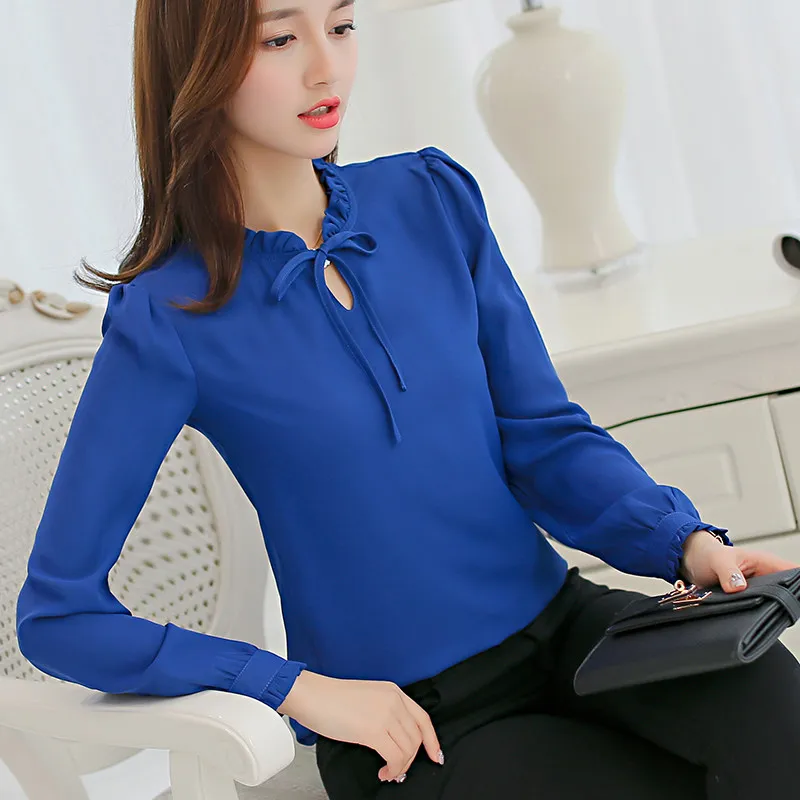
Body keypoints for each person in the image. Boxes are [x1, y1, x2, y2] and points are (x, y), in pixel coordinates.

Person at [14, 0, 800, 798]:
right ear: (196, 64)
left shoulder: (429, 198)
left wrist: (685, 543)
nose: (327, 67)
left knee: (774, 704)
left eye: (341, 27)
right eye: (281, 39)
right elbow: (59, 615)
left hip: (568, 629)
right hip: (405, 720)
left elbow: (542, 436)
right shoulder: (168, 314)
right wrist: (292, 688)